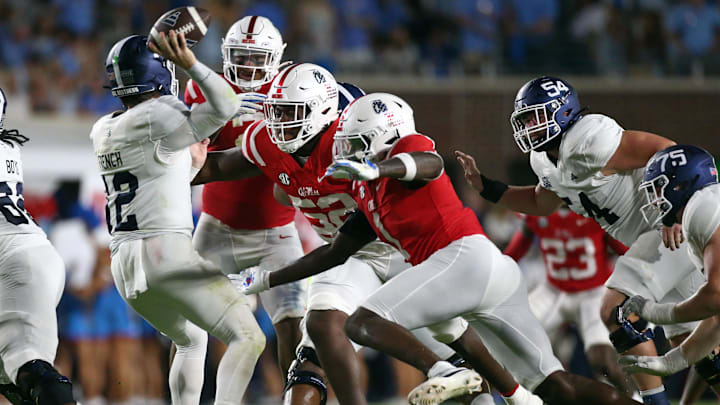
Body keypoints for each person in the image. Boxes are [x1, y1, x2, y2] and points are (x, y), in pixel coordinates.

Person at [237, 92, 642, 405]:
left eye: (357, 143)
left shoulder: (403, 153)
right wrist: (266, 278)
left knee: (360, 323)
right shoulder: (366, 188)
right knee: (558, 388)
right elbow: (333, 253)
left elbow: (427, 163)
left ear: (385, 138)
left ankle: (444, 370)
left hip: (461, 259)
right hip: (482, 273)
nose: (347, 152)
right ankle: (512, 392)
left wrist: (379, 167)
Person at [192, 64, 537, 405]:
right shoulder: (266, 142)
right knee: (318, 337)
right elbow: (216, 166)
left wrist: (377, 167)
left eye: (289, 112)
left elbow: (424, 160)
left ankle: (507, 392)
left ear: (326, 112)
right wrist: (163, 164)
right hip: (349, 250)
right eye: (275, 111)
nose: (279, 122)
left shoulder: (349, 139)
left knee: (456, 345)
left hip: (401, 248)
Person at [455, 76, 708, 405]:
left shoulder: (591, 137)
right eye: (525, 120)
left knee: (616, 309)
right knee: (700, 348)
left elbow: (668, 152)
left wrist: (676, 212)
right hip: (656, 244)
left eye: (535, 117)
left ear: (561, 112)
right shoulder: (545, 159)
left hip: (662, 232)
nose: (529, 126)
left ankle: (654, 403)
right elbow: (539, 203)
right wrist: (487, 187)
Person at [90, 32, 264, 405]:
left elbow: (155, 171)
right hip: (165, 250)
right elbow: (227, 103)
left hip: (125, 264)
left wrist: (188, 161)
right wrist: (192, 63)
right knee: (248, 337)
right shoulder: (159, 115)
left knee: (191, 338)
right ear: (160, 73)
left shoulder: (102, 128)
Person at [184, 14, 306, 376]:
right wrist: (220, 116)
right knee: (188, 327)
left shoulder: (292, 90)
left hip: (276, 233)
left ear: (277, 57)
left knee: (293, 325)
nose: (248, 65)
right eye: (241, 55)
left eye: (256, 57)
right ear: (225, 54)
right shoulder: (207, 87)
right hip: (215, 228)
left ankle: (293, 397)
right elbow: (190, 155)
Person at [617, 145, 720, 395]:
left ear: (682, 184)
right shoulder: (705, 205)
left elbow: (716, 296)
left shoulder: (702, 207)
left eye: (658, 188)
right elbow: (717, 317)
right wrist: (670, 363)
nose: (655, 199)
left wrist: (657, 313)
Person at [0, 87, 77, 405]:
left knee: (28, 364)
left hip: (16, 263)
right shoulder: (7, 147)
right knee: (15, 382)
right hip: (23, 259)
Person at [504, 208, 635, 395]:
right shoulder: (536, 209)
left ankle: (636, 399)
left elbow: (624, 251)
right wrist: (498, 268)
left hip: (593, 293)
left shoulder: (594, 211)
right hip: (553, 289)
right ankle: (509, 396)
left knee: (603, 361)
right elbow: (518, 247)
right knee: (511, 336)